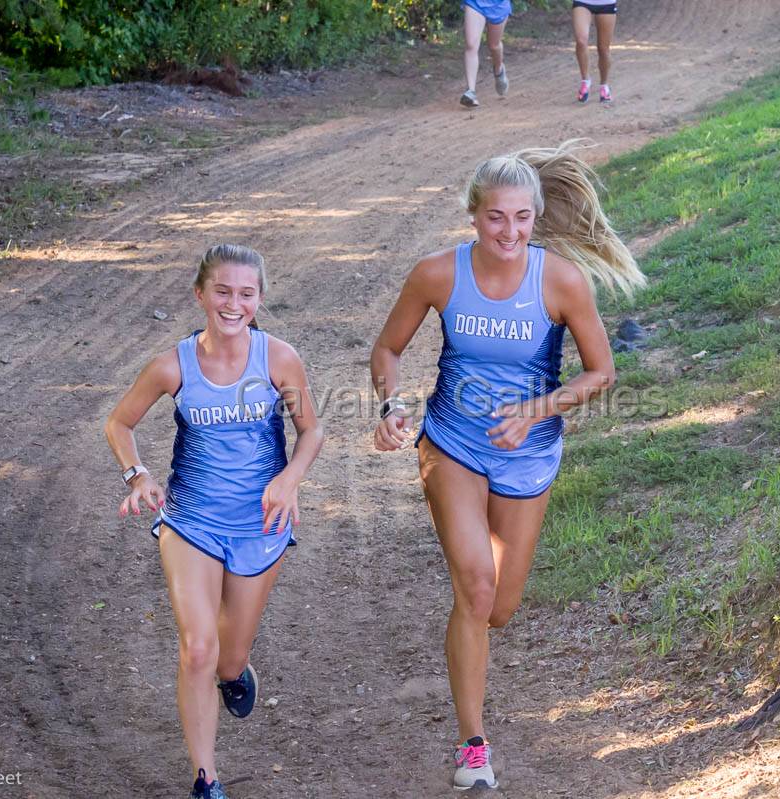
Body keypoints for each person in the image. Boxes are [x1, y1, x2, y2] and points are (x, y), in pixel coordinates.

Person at [370, 143, 645, 790]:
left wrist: (537, 409)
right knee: (475, 587)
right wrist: (389, 401)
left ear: (536, 216)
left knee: (500, 607)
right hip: (452, 440)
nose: (510, 232)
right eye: (496, 217)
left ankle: (475, 645)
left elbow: (602, 372)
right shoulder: (437, 274)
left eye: (522, 218)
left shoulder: (560, 282)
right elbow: (387, 346)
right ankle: (472, 746)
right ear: (473, 215)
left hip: (529, 451)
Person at [105, 244, 323, 799]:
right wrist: (138, 476)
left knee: (229, 657)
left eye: (245, 294)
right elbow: (119, 424)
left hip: (261, 521)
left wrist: (290, 478)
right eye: (222, 291)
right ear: (200, 294)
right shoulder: (172, 365)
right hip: (191, 519)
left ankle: (234, 675)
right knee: (197, 648)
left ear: (260, 300)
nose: (233, 303)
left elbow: (311, 432)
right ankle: (206, 778)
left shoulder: (278, 359)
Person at [460, 0, 512, 108]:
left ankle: (499, 70)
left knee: (494, 45)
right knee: (471, 45)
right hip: (475, 3)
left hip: (498, 4)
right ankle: (471, 91)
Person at [572, 0, 618, 103]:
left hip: (606, 3)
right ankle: (585, 81)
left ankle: (604, 85)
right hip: (582, 2)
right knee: (581, 41)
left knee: (603, 49)